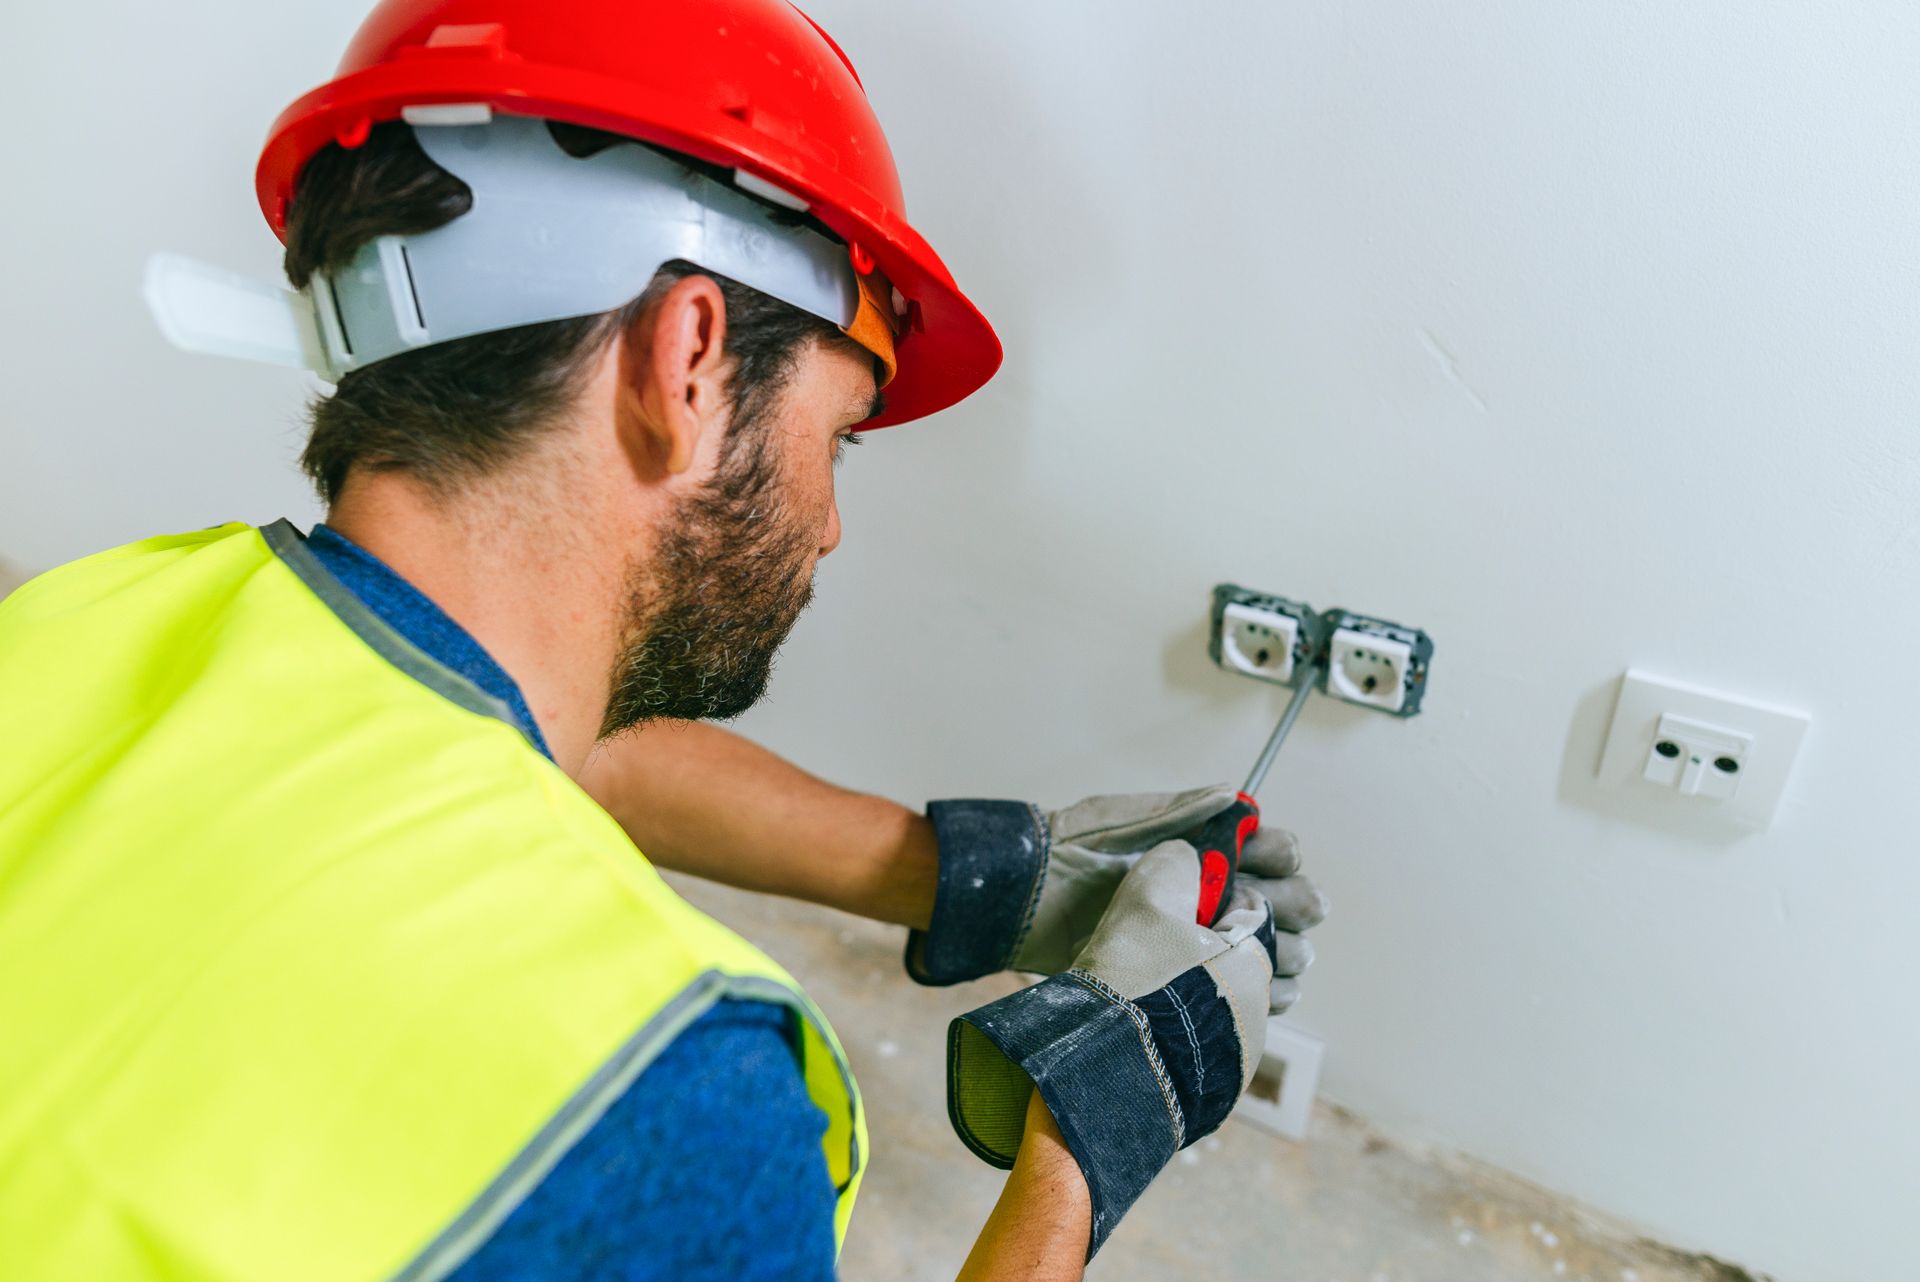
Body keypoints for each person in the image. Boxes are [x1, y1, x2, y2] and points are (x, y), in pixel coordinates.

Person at [0, 2, 1327, 1278]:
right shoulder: (666, 1097)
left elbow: (523, 757)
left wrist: (980, 874)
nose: (830, 525)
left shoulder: (87, 616)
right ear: (687, 361)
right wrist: (1085, 1145)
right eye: (840, 436)